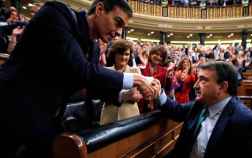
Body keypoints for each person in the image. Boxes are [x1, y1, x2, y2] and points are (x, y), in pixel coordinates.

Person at [0, 1, 154, 157]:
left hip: (44, 122)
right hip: (9, 113)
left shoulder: (93, 48)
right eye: (117, 22)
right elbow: (82, 69)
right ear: (100, 10)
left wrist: (125, 95)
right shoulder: (57, 14)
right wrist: (137, 79)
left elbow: (93, 87)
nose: (119, 32)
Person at [151, 61, 252, 158]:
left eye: (203, 81)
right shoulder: (199, 105)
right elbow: (175, 110)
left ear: (222, 86)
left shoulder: (248, 121)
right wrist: (158, 91)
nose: (195, 85)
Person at [100, 39, 142, 125]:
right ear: (114, 54)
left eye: (126, 54)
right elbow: (102, 96)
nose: (123, 57)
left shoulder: (136, 71)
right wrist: (126, 95)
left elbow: (138, 96)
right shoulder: (105, 71)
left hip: (130, 117)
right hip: (109, 117)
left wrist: (136, 96)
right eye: (120, 53)